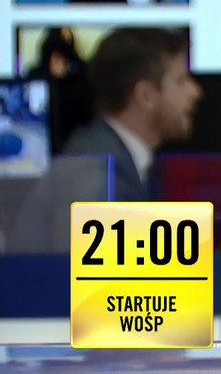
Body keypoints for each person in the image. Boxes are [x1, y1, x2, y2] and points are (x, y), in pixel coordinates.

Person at [7, 28, 201, 253]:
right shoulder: (93, 175)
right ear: (146, 96)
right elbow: (88, 273)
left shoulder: (115, 161)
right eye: (180, 81)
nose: (195, 92)